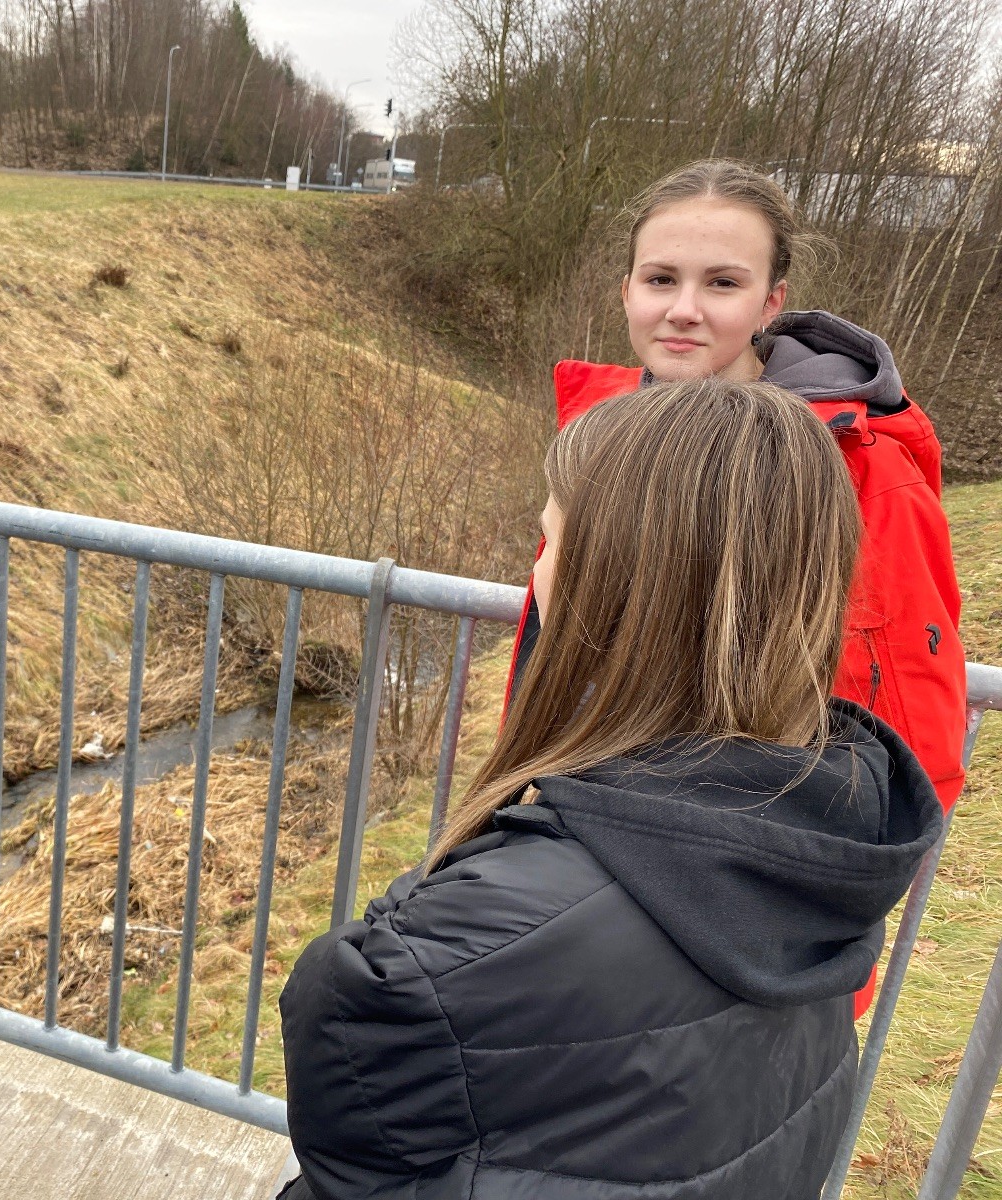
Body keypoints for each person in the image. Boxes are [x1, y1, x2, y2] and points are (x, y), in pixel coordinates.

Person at [278, 379, 943, 1200]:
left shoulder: (444, 958)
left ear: (617, 585)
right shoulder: (832, 832)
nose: (537, 568)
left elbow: (346, 1113)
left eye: (549, 539)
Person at [508, 159, 967, 818]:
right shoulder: (599, 437)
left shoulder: (860, 466)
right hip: (576, 802)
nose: (683, 311)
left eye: (722, 283)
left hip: (744, 841)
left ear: (770, 302)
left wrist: (863, 861)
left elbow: (910, 718)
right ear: (626, 291)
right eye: (661, 279)